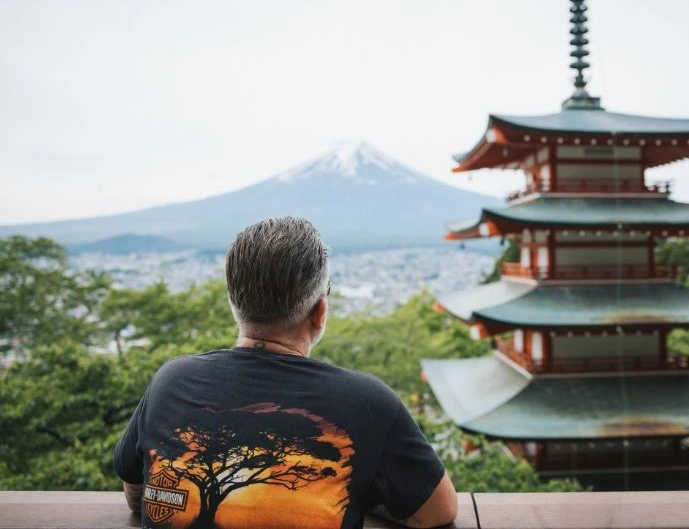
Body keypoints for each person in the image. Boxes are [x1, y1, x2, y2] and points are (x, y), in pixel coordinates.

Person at [113, 217, 457, 529]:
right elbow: (438, 512)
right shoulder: (367, 402)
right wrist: (360, 493)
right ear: (319, 312)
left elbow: (136, 493)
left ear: (234, 302)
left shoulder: (172, 381)